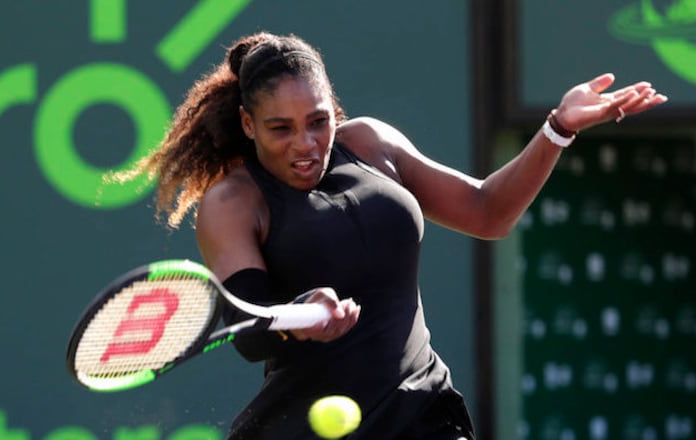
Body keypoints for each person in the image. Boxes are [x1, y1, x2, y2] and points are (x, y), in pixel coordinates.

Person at [116, 32, 667, 439]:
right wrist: (301, 315)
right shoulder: (232, 202)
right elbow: (251, 333)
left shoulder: (372, 143)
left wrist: (558, 128)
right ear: (247, 125)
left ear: (335, 110)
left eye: (318, 121)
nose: (306, 144)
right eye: (281, 129)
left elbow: (488, 212)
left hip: (423, 413)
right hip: (305, 428)